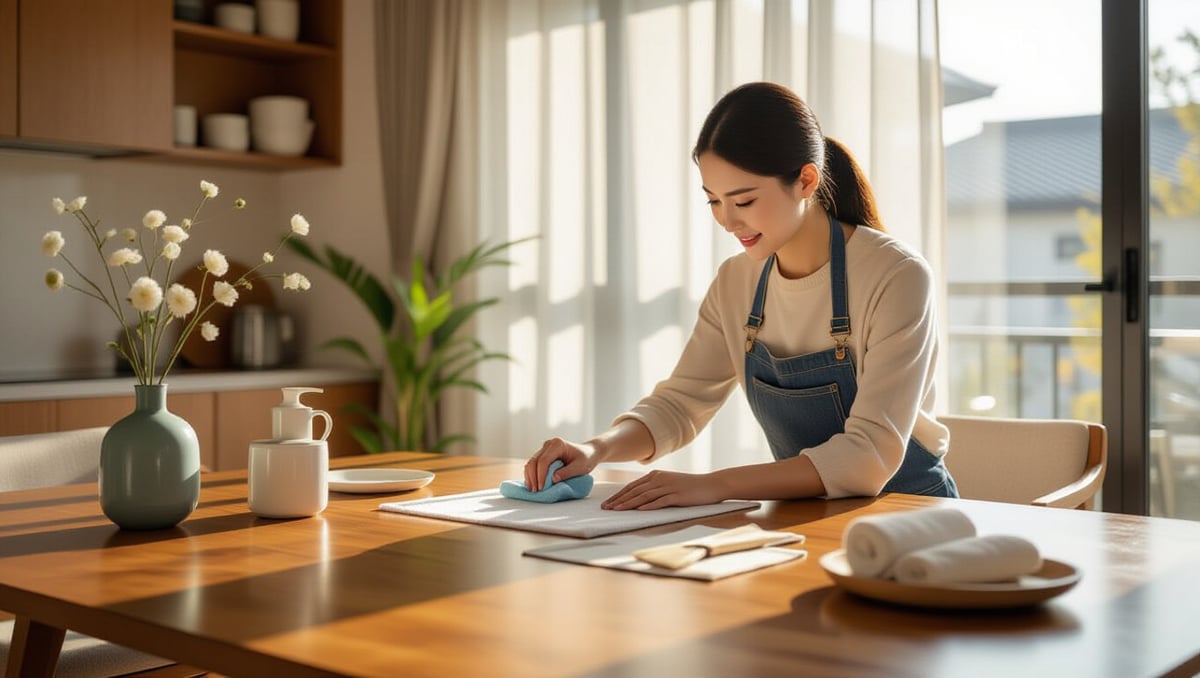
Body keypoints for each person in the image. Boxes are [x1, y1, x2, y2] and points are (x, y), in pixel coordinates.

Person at [523, 81, 957, 509]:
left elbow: (868, 456)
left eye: (743, 201)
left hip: (912, 518)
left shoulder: (896, 275)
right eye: (713, 201)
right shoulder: (737, 281)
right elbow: (680, 404)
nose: (727, 221)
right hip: (808, 517)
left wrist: (716, 485)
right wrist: (596, 449)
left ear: (806, 180)